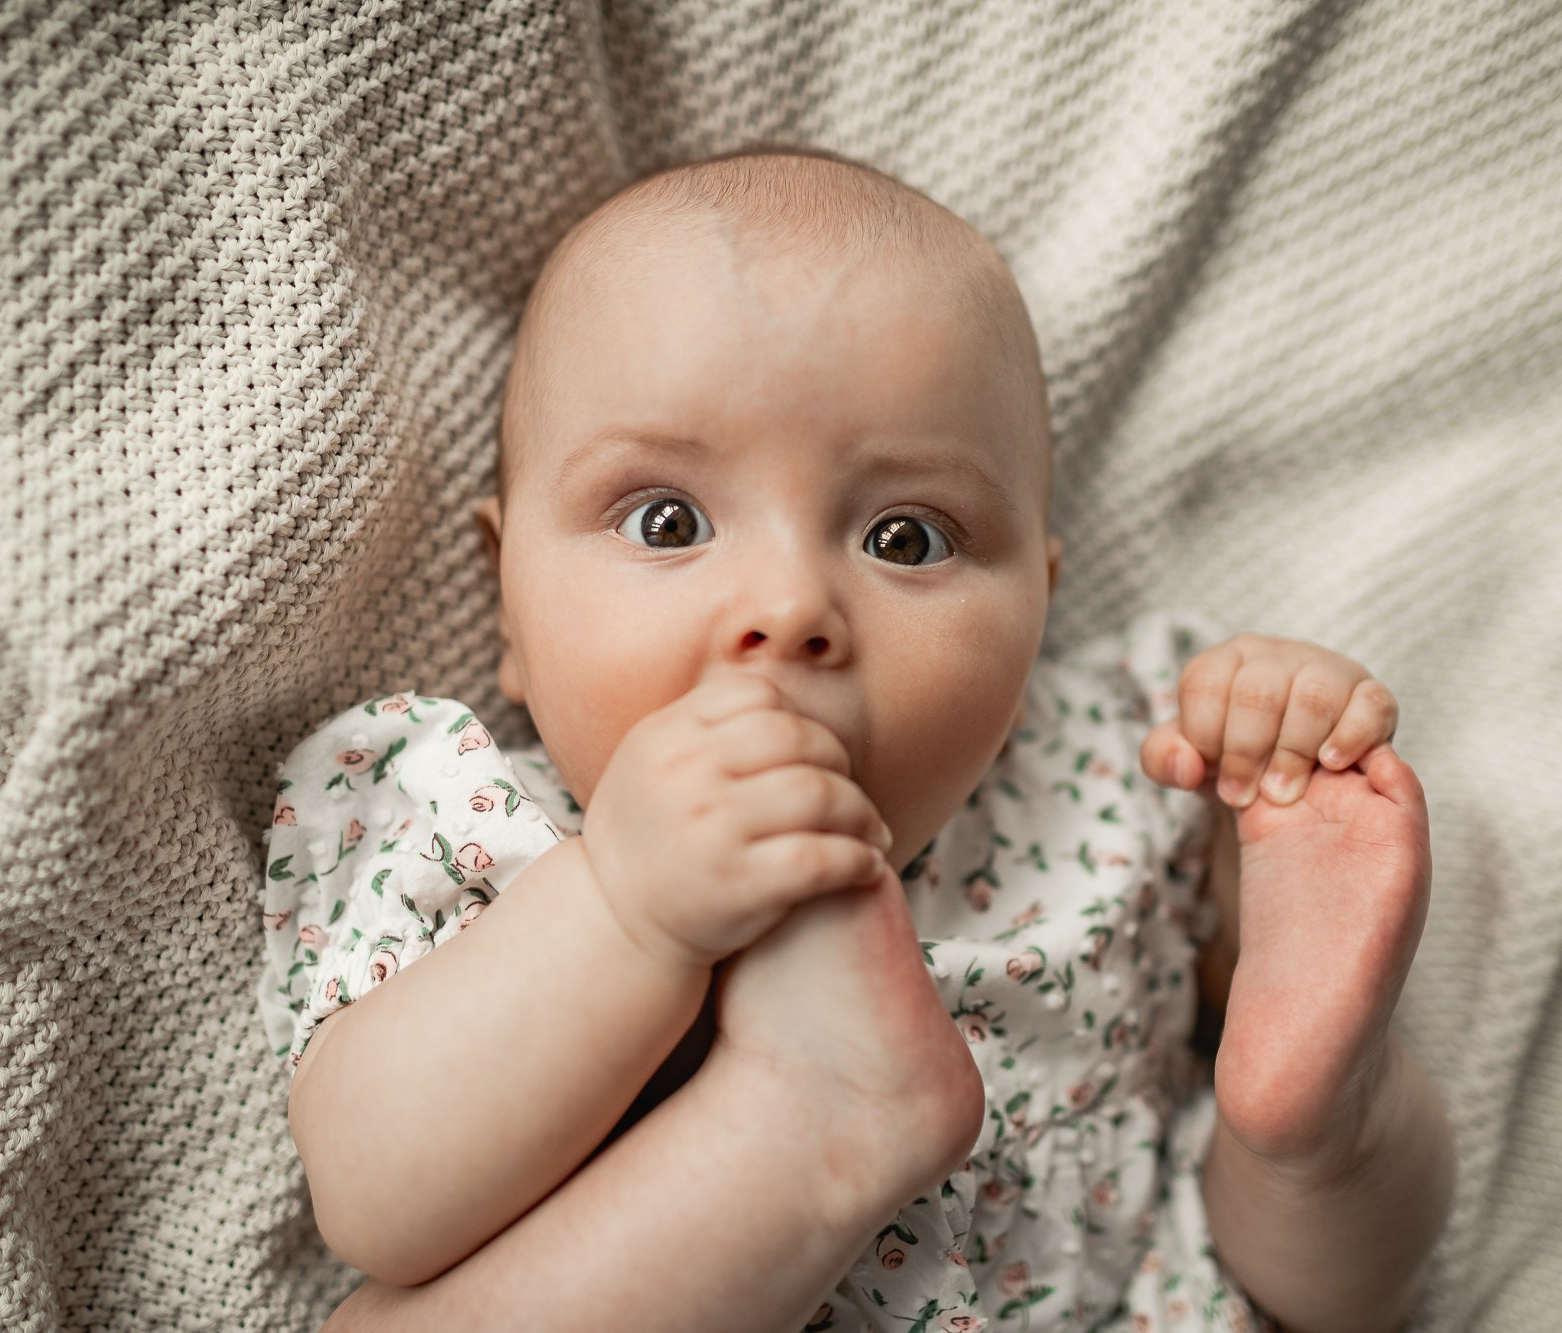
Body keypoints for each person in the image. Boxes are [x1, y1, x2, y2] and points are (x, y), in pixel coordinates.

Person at [259, 148, 1454, 1333]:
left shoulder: (1106, 762)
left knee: (1316, 1254)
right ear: (507, 596)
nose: (790, 607)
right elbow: (374, 1205)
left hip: (1144, 1295)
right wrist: (630, 908)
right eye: (667, 520)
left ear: (1035, 609)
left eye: (907, 539)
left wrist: (1269, 782)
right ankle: (803, 1132)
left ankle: (1313, 1124)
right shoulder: (480, 830)